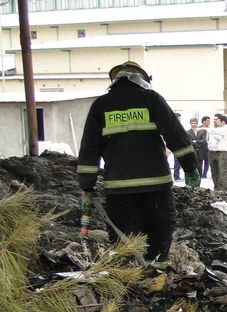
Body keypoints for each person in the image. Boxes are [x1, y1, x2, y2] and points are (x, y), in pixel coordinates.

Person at [76, 61, 199, 270]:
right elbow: (175, 134)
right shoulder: (150, 98)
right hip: (156, 186)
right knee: (159, 232)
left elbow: (89, 147)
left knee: (126, 239)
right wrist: (190, 166)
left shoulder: (100, 105)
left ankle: (131, 279)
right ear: (142, 79)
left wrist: (87, 185)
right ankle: (156, 277)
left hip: (119, 189)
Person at [204, 113, 227, 192]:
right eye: (215, 120)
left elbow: (216, 133)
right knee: (217, 171)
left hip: (224, 152)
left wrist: (201, 128)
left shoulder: (225, 129)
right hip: (216, 151)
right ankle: (220, 188)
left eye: (218, 121)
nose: (216, 122)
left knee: (223, 172)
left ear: (223, 122)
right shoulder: (218, 129)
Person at [187, 117, 207, 182]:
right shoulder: (188, 132)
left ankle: (199, 181)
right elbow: (190, 142)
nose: (193, 124)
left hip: (200, 153)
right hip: (193, 152)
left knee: (200, 167)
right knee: (193, 167)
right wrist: (198, 143)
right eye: (192, 123)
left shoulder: (201, 131)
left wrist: (195, 141)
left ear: (197, 123)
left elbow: (204, 141)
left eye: (194, 123)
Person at [171, 112, 183, 181]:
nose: (180, 120)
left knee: (178, 161)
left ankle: (177, 175)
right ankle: (176, 176)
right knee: (177, 161)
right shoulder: (173, 126)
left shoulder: (178, 125)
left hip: (179, 145)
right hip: (175, 146)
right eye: (179, 118)